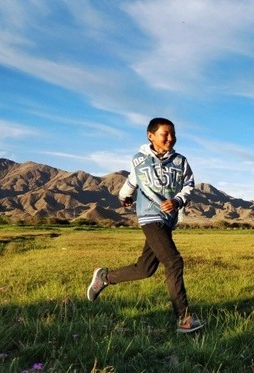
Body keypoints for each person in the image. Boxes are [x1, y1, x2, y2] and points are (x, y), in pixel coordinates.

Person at [86, 117, 205, 333]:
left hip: (168, 219)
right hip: (149, 217)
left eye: (173, 134)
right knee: (174, 262)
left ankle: (105, 278)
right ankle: (184, 319)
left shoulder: (181, 161)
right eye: (165, 134)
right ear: (150, 135)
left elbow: (189, 185)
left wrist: (177, 200)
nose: (170, 138)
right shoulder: (140, 160)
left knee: (145, 268)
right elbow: (132, 181)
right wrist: (124, 196)